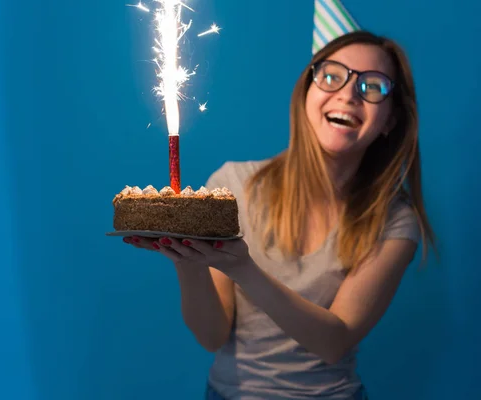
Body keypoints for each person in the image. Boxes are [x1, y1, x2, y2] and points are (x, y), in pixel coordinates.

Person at [123, 30, 436, 400]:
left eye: (372, 86)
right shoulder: (231, 187)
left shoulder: (395, 221)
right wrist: (186, 258)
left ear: (390, 120)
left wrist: (243, 268)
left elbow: (333, 341)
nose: (348, 94)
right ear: (306, 93)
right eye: (333, 76)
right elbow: (211, 336)